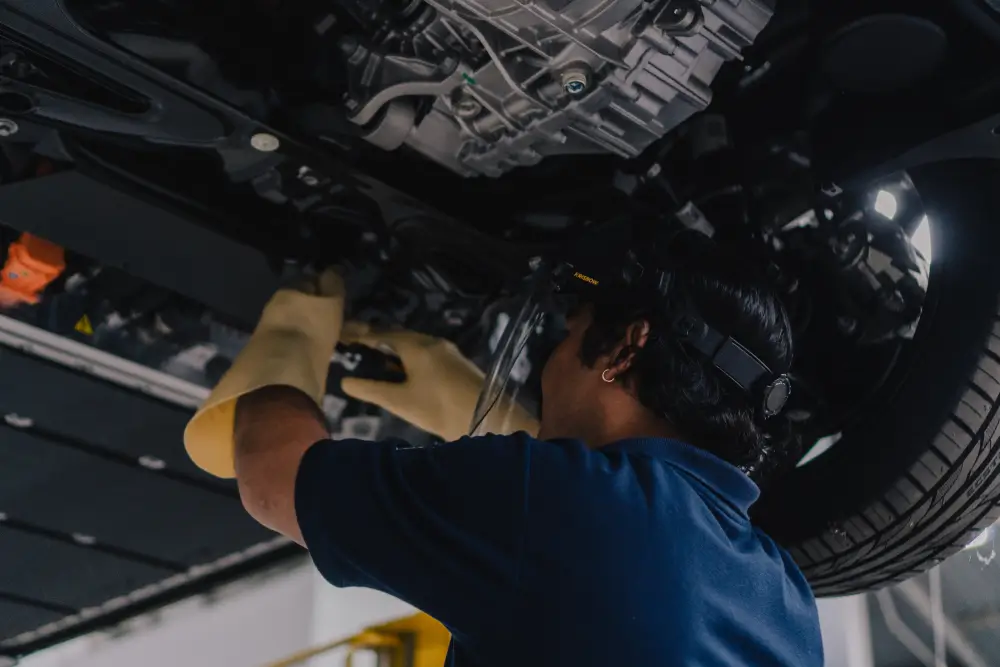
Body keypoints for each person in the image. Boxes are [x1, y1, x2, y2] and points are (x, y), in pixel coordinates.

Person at [183, 252, 823, 666]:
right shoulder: (785, 598)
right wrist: (470, 407)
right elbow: (608, 551)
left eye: (567, 337)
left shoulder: (554, 506)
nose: (551, 363)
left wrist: (294, 335)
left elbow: (273, 476)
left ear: (627, 347)